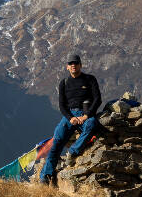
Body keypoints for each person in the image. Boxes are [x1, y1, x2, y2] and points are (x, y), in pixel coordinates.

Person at [40, 54, 101, 185]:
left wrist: (86, 116)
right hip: (70, 115)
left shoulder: (90, 79)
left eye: (76, 63)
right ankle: (45, 176)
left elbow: (97, 99)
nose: (73, 65)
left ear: (81, 65)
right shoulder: (64, 83)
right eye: (71, 63)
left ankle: (72, 152)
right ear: (67, 67)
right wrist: (70, 118)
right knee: (57, 140)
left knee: (92, 124)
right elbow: (62, 105)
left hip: (86, 114)